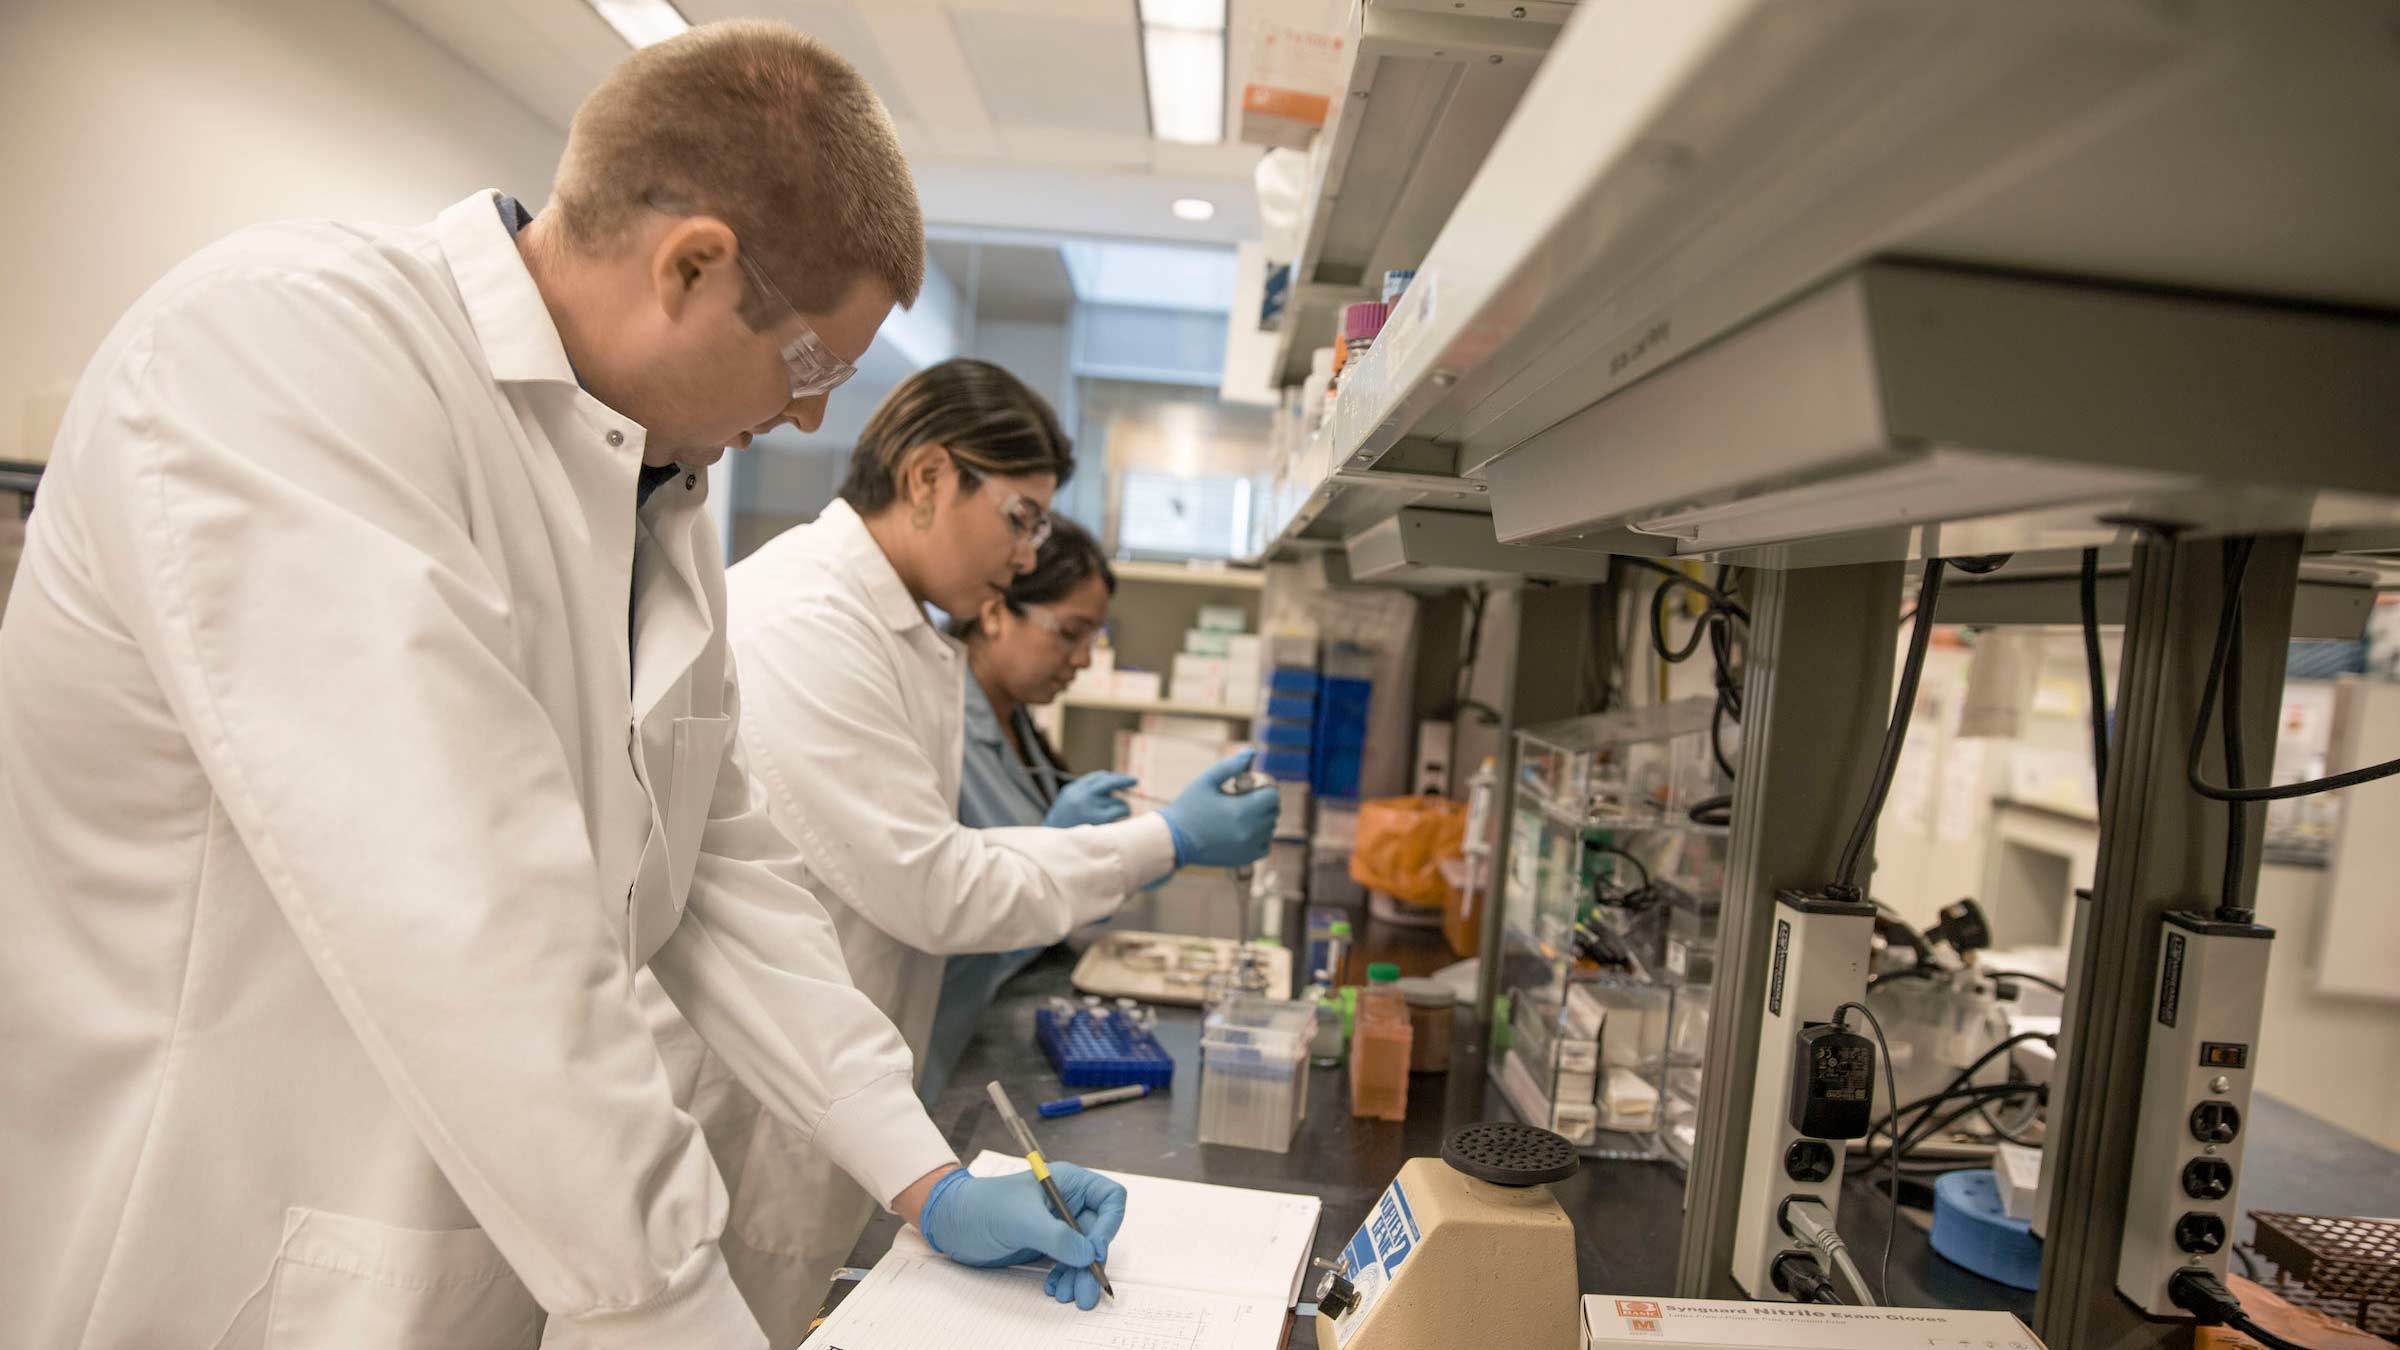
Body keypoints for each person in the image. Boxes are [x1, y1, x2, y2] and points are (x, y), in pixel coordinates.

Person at [0, 24, 1120, 1350]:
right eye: (812, 365)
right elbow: (454, 898)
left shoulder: (652, 484)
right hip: (214, 1244)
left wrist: (915, 1161)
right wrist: (669, 1296)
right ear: (691, 265)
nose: (816, 420)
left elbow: (714, 859)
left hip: (483, 1247)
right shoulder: (288, 354)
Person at [714, 357, 1278, 1311]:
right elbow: (934, 887)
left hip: (837, 1091)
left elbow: (931, 861)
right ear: (930, 477)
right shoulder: (805, 621)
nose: (1025, 557)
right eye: (1020, 518)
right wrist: (1166, 843)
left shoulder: (893, 626)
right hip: (749, 1112)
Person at [919, 514, 1129, 1101]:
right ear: (993, 614)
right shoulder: (939, 723)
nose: (1084, 659)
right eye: (1070, 632)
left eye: (1094, 638)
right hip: (937, 1039)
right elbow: (950, 903)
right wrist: (1060, 856)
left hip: (994, 1023)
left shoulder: (1015, 722)